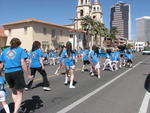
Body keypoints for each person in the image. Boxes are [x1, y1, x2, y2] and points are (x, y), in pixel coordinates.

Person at [0, 38, 33, 113]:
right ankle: (15, 111)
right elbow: (22, 63)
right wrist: (28, 75)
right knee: (20, 93)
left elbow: (1, 64)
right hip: (17, 72)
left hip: (7, 73)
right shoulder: (20, 50)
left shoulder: (5, 51)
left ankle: (17, 108)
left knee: (14, 91)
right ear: (19, 44)